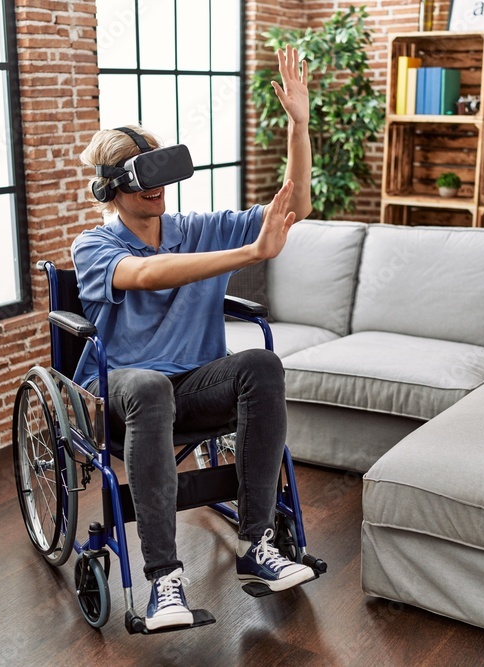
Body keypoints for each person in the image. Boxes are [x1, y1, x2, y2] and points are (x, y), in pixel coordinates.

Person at [71, 46, 312, 631]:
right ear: (109, 189)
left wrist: (300, 129)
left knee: (259, 364)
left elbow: (295, 207)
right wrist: (250, 254)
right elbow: (147, 274)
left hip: (198, 383)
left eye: (161, 170)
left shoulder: (197, 229)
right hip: (121, 387)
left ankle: (256, 545)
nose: (157, 188)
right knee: (152, 387)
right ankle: (163, 583)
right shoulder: (93, 246)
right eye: (140, 175)